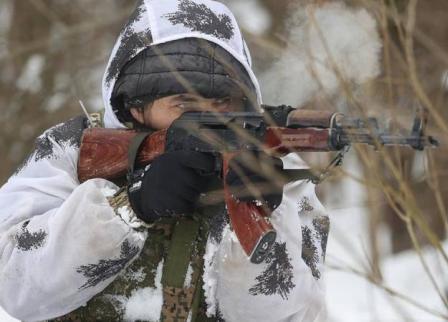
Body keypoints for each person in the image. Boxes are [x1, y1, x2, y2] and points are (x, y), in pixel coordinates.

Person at [0, 0, 330, 321]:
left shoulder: (278, 174)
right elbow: (15, 287)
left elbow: (294, 315)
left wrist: (259, 214)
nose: (208, 118)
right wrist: (130, 207)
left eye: (222, 102)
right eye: (184, 104)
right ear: (135, 106)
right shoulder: (71, 151)